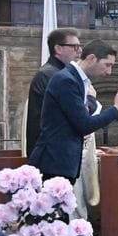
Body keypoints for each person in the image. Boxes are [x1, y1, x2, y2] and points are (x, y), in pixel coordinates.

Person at [28, 40, 118, 183]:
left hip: (60, 162)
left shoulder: (76, 80)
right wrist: (116, 108)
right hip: (54, 163)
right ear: (91, 58)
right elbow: (84, 124)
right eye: (107, 65)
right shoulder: (66, 80)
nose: (109, 72)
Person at [25, 27, 83, 155]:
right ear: (58, 49)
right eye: (75, 47)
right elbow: (73, 114)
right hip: (50, 154)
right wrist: (90, 98)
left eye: (80, 46)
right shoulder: (52, 75)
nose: (79, 52)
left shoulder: (58, 73)